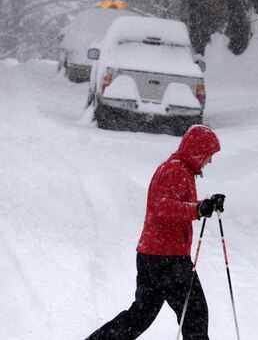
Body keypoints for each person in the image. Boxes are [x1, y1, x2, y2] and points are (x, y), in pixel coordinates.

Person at [85, 124, 225, 340]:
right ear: (197, 152)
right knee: (194, 313)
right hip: (168, 259)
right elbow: (163, 206)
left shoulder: (179, 169)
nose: (210, 161)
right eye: (208, 155)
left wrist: (206, 204)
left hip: (154, 255)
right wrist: (197, 209)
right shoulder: (176, 170)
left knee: (141, 315)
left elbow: (174, 204)